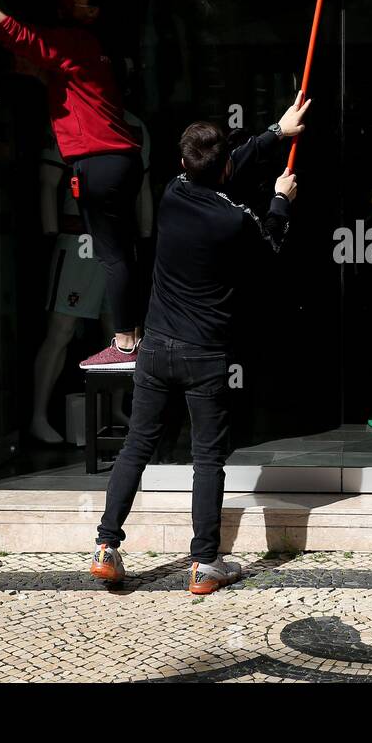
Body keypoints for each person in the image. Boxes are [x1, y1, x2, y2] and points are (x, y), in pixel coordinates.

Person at [91, 93, 310, 593]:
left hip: (157, 345)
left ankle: (107, 545)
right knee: (207, 457)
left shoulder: (171, 191)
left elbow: (225, 165)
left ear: (183, 164)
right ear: (225, 165)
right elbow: (272, 243)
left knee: (136, 446)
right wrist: (281, 199)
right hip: (204, 353)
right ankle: (204, 562)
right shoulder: (233, 218)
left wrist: (277, 133)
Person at [0, 0, 145, 370]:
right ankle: (130, 338)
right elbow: (66, 85)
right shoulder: (97, 50)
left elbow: (13, 32)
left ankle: (128, 342)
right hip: (116, 160)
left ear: (95, 12)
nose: (74, 1)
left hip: (100, 159)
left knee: (112, 256)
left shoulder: (76, 41)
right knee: (117, 253)